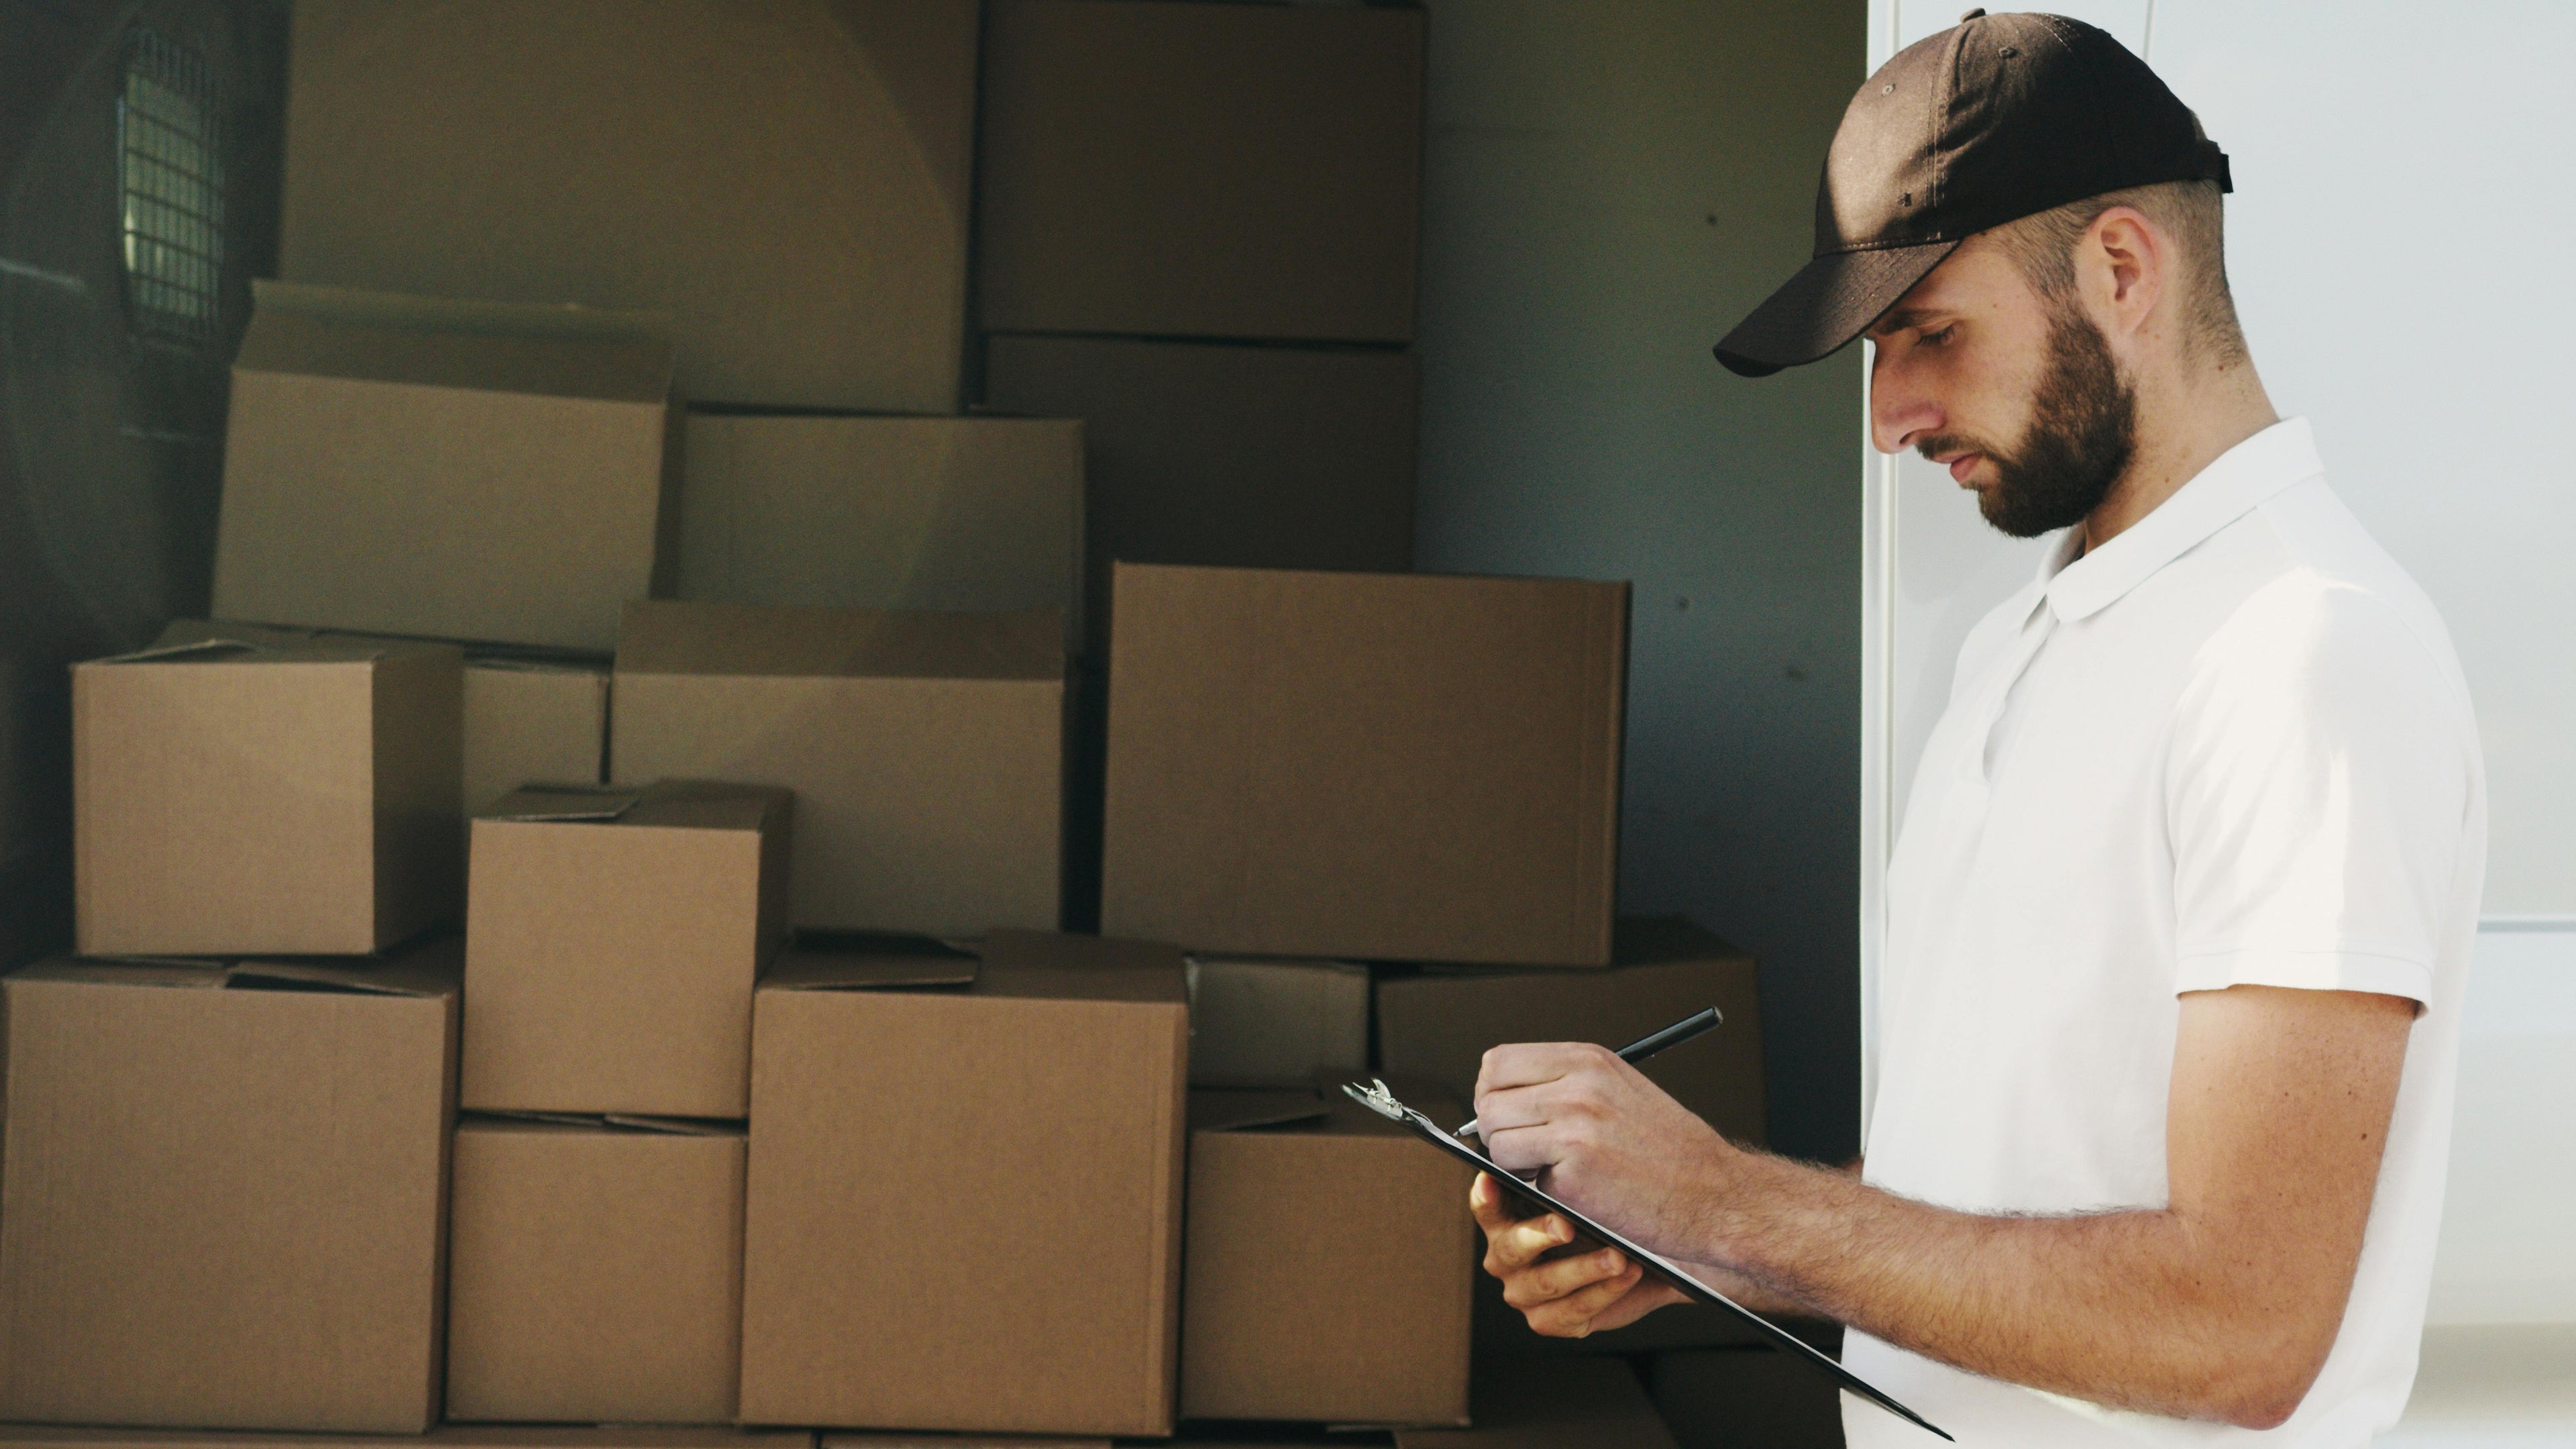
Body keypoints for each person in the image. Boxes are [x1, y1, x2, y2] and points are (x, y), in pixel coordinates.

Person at [1466, 12, 2486, 1447]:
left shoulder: (2303, 655)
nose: (1888, 416)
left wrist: (1727, 1198)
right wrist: (1695, 1245)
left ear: (2122, 268)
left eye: (1929, 334)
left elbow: (2248, 1327)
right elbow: (2004, 1165)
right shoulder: (2020, 647)